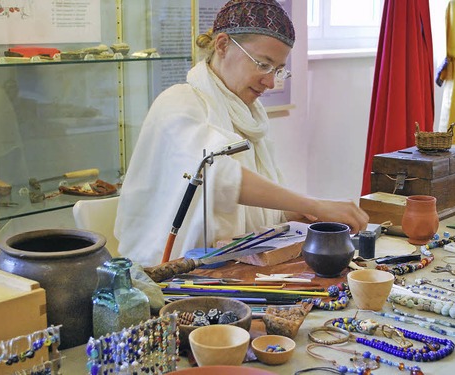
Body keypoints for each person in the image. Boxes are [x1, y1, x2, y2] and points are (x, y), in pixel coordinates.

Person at [114, 0, 369, 267]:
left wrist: (292, 213)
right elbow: (217, 174)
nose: (270, 82)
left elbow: (246, 205)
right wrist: (316, 204)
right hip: (166, 273)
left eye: (278, 70)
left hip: (228, 267)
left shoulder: (247, 113)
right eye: (263, 64)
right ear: (222, 45)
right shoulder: (178, 103)